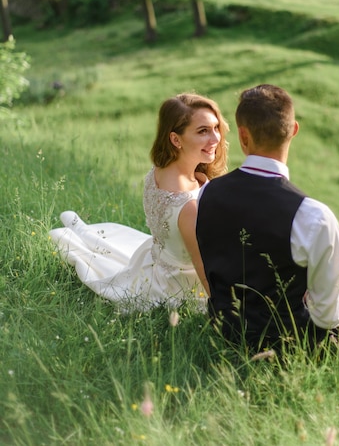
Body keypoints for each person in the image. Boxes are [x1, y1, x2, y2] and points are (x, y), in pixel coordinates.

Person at [196, 84, 339, 352]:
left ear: (243, 136)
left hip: (224, 331)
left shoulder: (207, 192)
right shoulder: (314, 215)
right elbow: (327, 318)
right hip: (288, 344)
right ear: (293, 130)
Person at [49, 93, 229, 311]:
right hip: (181, 286)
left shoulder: (160, 170)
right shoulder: (188, 206)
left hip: (156, 265)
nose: (216, 138)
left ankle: (80, 231)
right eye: (203, 131)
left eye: (216, 127)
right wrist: (225, 311)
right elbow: (203, 267)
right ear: (175, 139)